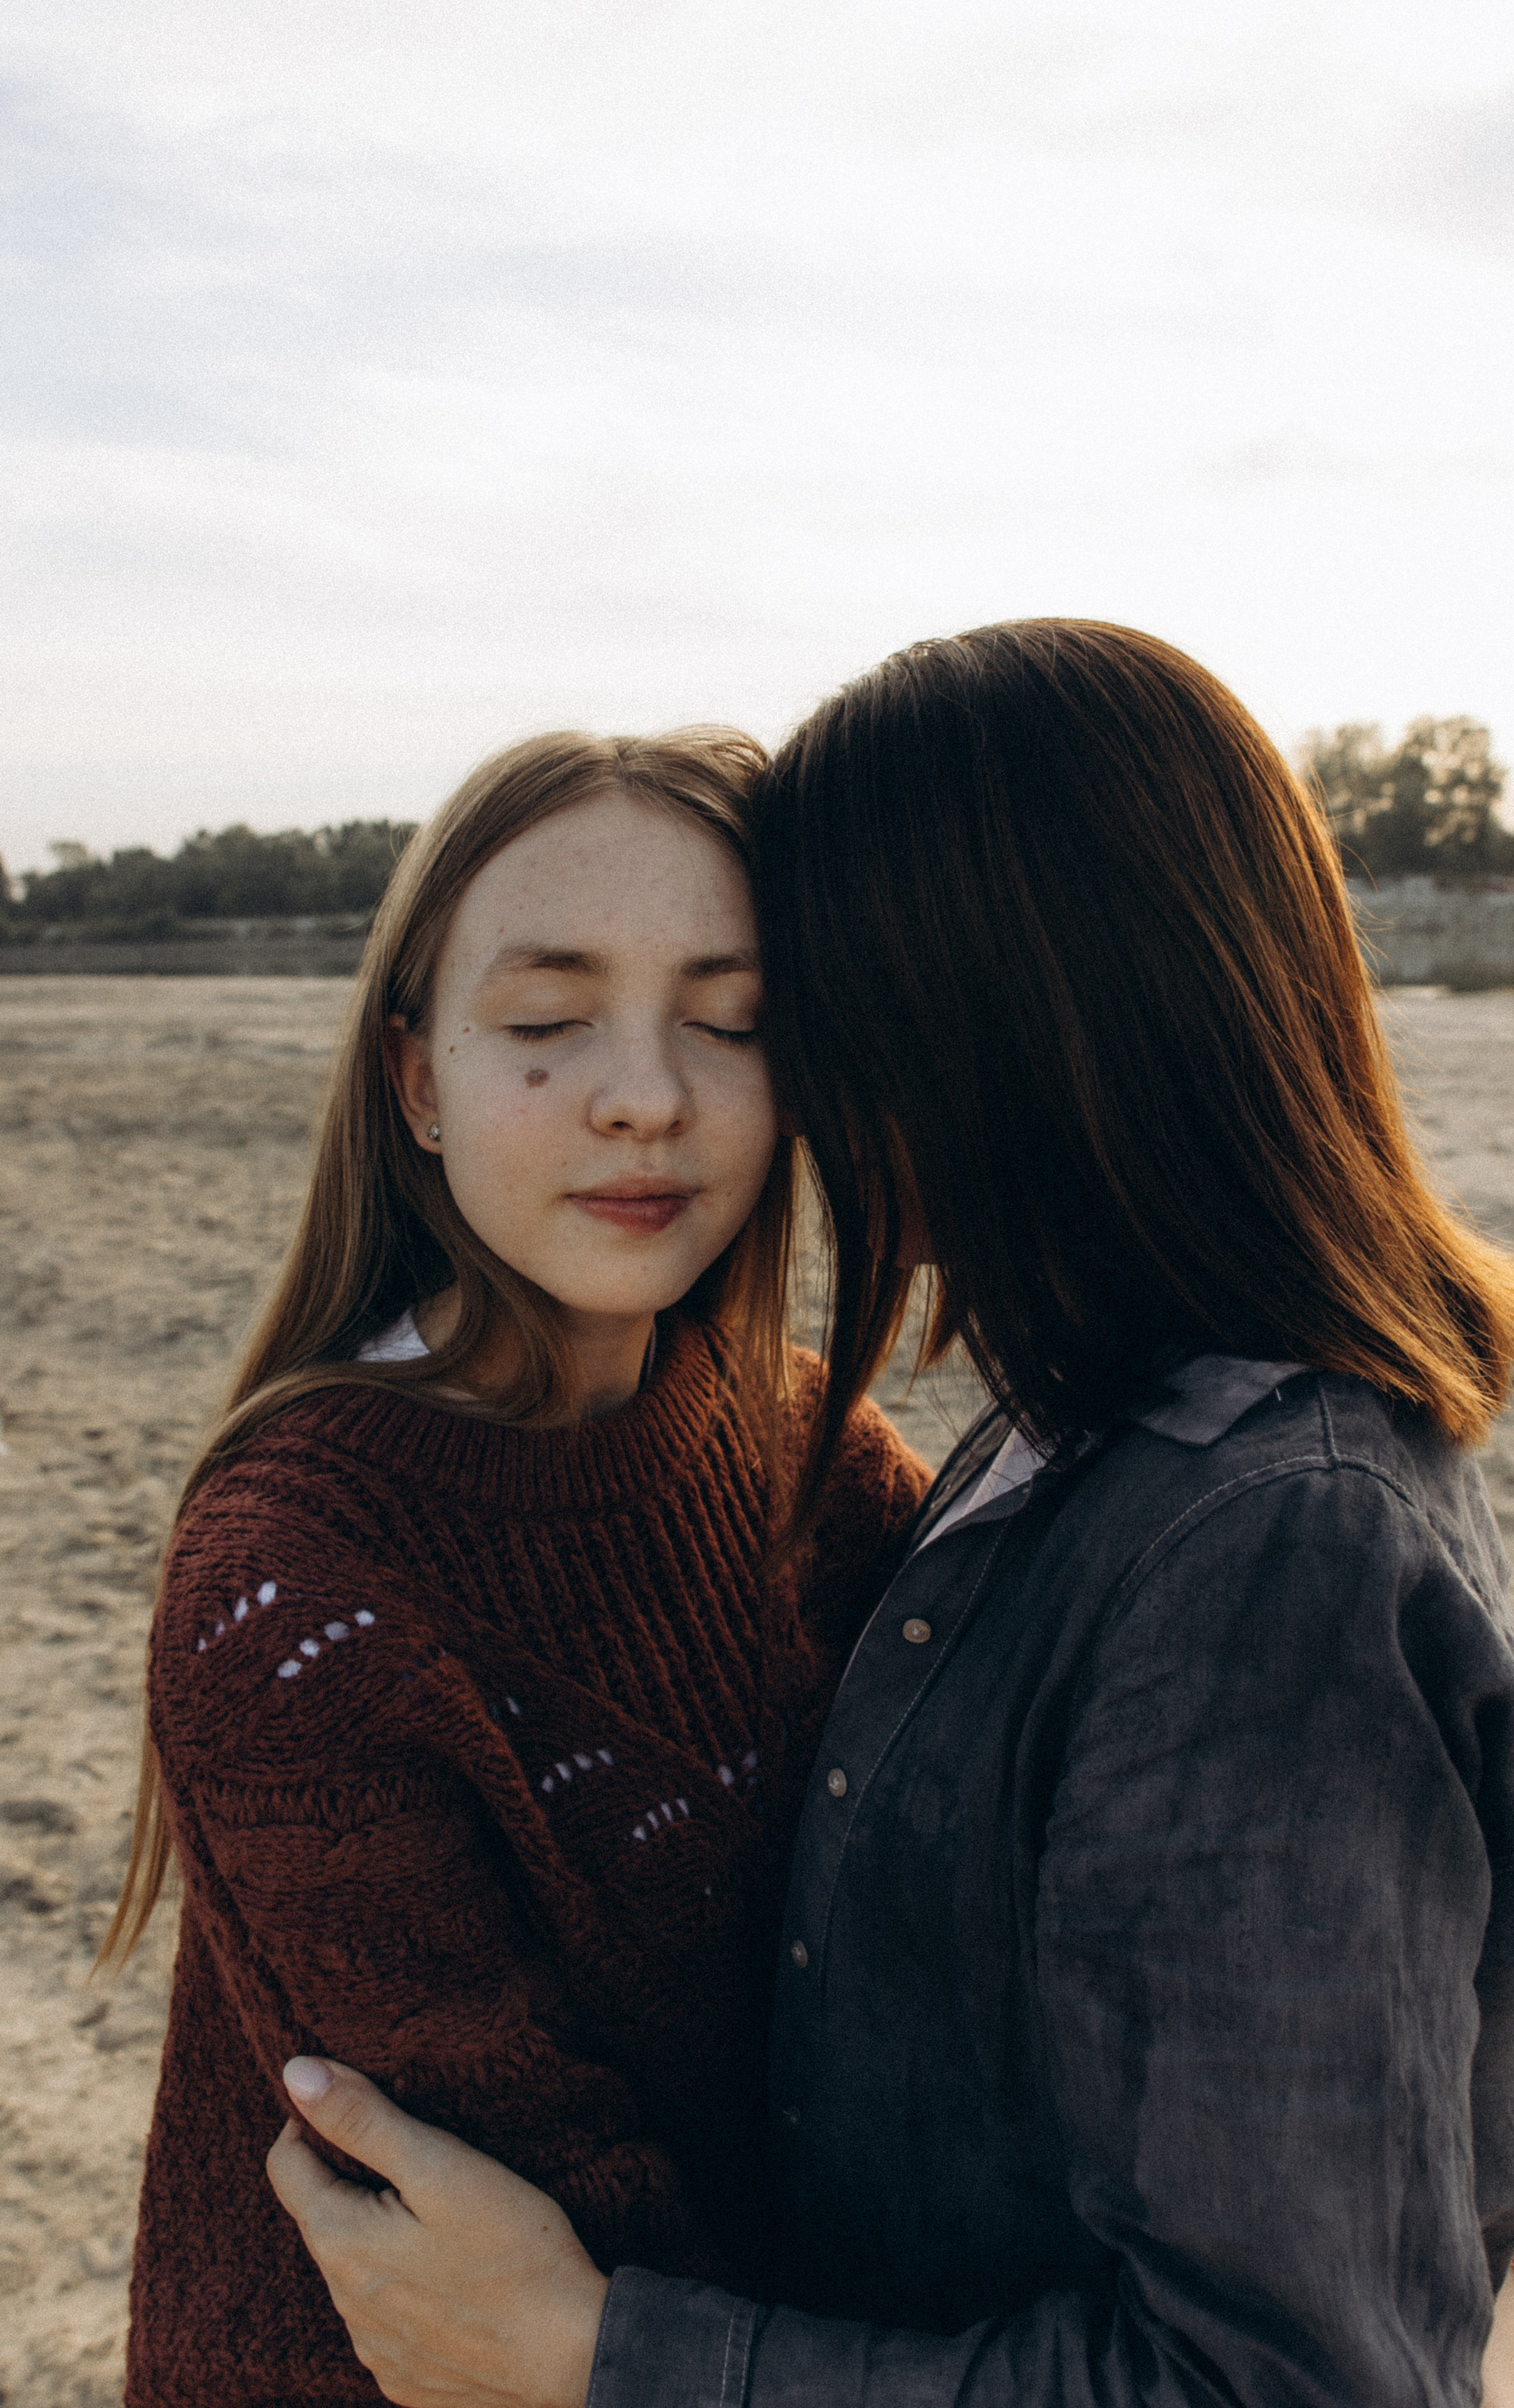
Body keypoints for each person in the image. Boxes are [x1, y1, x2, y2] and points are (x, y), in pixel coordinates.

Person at [268, 623, 1514, 2408]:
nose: (756, 1095)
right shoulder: (1081, 1450)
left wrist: (599, 2358)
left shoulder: (1271, 1554)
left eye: (778, 1016)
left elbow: (1286, 2381)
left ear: (1007, 1022)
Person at [103, 728, 928, 2407]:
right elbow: (552, 2229)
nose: (648, 1093)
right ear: (416, 1079)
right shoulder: (295, 1582)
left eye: (733, 1019)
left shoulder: (804, 1447)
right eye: (549, 1024)